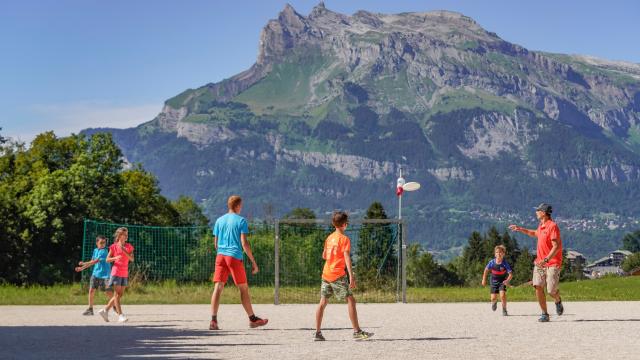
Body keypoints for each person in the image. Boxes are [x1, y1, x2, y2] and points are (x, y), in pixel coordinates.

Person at [209, 195, 268, 330]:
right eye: (241, 206)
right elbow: (244, 243)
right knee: (243, 288)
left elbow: (216, 243)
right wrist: (254, 262)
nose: (241, 208)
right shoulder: (241, 221)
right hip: (234, 256)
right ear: (237, 206)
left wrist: (222, 253)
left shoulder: (219, 220)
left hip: (220, 256)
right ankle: (252, 319)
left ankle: (213, 321)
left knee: (218, 287)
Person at [314, 211, 373, 341]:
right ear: (344, 225)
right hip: (337, 275)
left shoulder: (329, 238)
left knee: (322, 302)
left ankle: (317, 333)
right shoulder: (344, 239)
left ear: (334, 224)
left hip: (326, 274)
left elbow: (324, 256)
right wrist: (351, 276)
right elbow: (347, 258)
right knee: (351, 300)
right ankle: (357, 331)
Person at [509, 203, 564, 322]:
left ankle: (557, 299)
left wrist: (546, 259)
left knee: (551, 291)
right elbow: (534, 233)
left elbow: (556, 246)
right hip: (539, 263)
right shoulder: (541, 225)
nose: (536, 212)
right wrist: (520, 229)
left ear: (544, 213)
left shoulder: (552, 226)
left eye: (538, 210)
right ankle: (545, 314)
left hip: (552, 263)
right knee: (538, 286)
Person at [99, 227, 134, 323]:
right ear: (119, 236)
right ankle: (120, 315)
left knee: (120, 295)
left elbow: (132, 259)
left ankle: (105, 310)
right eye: (124, 234)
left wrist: (124, 251)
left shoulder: (129, 246)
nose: (126, 236)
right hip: (116, 272)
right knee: (117, 294)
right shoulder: (113, 246)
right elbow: (107, 259)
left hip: (124, 273)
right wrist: (115, 257)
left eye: (127, 234)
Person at [75, 235, 113, 316]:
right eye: (101, 243)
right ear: (97, 243)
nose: (103, 244)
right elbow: (92, 261)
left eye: (104, 242)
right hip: (96, 274)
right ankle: (90, 309)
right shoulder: (95, 250)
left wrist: (84, 263)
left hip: (105, 275)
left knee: (108, 292)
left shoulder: (105, 251)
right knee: (91, 290)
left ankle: (115, 305)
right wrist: (82, 268)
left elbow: (96, 261)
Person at [482, 245, 513, 316]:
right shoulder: (492, 262)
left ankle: (504, 310)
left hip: (502, 281)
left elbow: (511, 274)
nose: (499, 254)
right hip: (493, 281)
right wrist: (484, 279)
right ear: (495, 254)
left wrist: (507, 280)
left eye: (500, 252)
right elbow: (486, 270)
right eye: (497, 252)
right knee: (493, 298)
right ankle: (494, 302)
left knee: (502, 295)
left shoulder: (505, 263)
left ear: (503, 254)